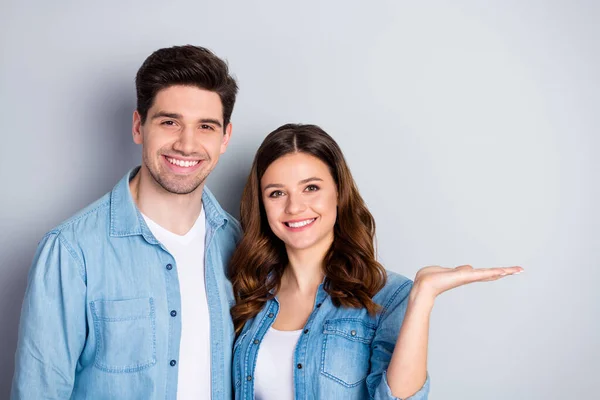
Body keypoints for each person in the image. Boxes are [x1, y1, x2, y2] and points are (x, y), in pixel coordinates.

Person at [11, 45, 240, 399]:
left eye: (205, 127)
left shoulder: (242, 244)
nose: (187, 144)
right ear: (138, 127)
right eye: (169, 122)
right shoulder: (72, 252)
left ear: (225, 137)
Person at [229, 123, 523, 400]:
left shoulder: (387, 296)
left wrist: (422, 296)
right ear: (262, 204)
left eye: (311, 188)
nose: (294, 206)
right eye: (277, 193)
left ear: (339, 193)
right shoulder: (249, 292)